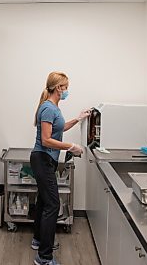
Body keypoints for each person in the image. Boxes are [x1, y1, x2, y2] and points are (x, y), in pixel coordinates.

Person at [31, 71, 90, 265]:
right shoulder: (48, 108)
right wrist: (71, 146)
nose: (67, 91)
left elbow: (60, 128)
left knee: (43, 201)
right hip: (42, 159)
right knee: (53, 205)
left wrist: (79, 119)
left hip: (45, 160)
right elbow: (47, 140)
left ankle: (38, 239)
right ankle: (44, 257)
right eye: (66, 88)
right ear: (59, 88)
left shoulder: (52, 107)